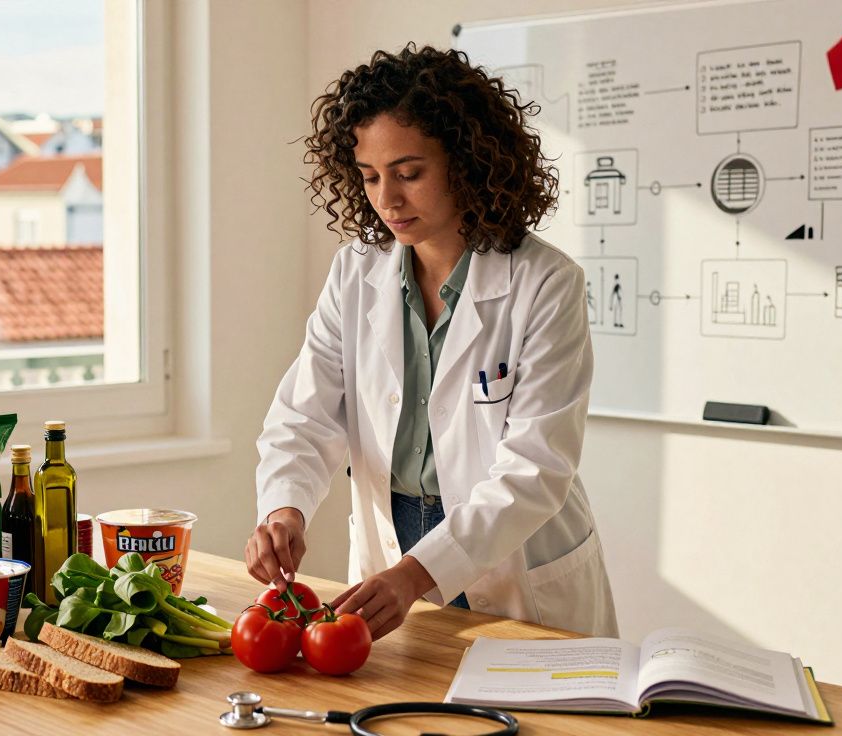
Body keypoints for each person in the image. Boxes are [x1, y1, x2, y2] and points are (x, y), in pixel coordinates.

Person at [245, 44, 617, 641]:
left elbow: (537, 468)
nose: (387, 199)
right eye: (370, 177)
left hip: (512, 554)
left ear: (466, 162)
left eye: (409, 173)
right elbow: (305, 416)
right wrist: (283, 506)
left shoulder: (546, 283)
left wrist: (418, 574)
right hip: (391, 540)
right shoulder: (355, 275)